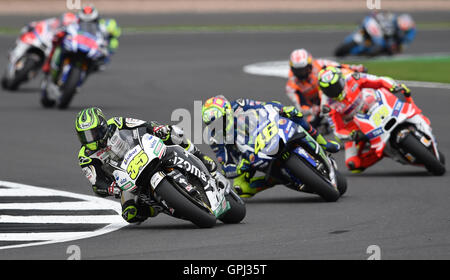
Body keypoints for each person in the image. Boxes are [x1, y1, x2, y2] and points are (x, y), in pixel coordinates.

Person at [76, 107, 217, 224]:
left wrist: (157, 129)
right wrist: (112, 188)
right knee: (130, 214)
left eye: (93, 134)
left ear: (103, 126)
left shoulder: (117, 123)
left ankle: (201, 157)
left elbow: (143, 124)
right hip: (127, 179)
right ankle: (160, 206)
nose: (90, 139)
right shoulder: (85, 157)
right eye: (85, 136)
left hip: (146, 151)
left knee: (173, 133)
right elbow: (97, 183)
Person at [201, 96, 340, 198]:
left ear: (228, 112)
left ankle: (323, 143)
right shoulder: (214, 138)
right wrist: (239, 167)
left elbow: (266, 106)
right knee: (240, 188)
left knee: (294, 114)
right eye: (213, 124)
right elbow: (226, 167)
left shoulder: (239, 105)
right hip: (248, 157)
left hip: (263, 133)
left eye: (220, 120)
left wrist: (283, 110)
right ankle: (274, 179)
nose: (218, 126)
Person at [318, 66, 412, 172]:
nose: (334, 91)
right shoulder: (326, 106)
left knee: (401, 91)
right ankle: (385, 151)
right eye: (329, 90)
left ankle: (411, 111)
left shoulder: (353, 78)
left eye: (336, 86)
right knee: (353, 164)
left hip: (374, 104)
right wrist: (352, 135)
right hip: (357, 125)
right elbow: (338, 131)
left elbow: (379, 80)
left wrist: (393, 86)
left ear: (341, 79)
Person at [286, 49, 367, 128]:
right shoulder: (291, 86)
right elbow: (301, 106)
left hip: (331, 93)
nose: (302, 73)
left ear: (310, 65)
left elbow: (338, 67)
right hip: (317, 107)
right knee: (307, 127)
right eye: (298, 70)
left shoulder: (320, 64)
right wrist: (312, 110)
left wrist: (353, 68)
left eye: (304, 69)